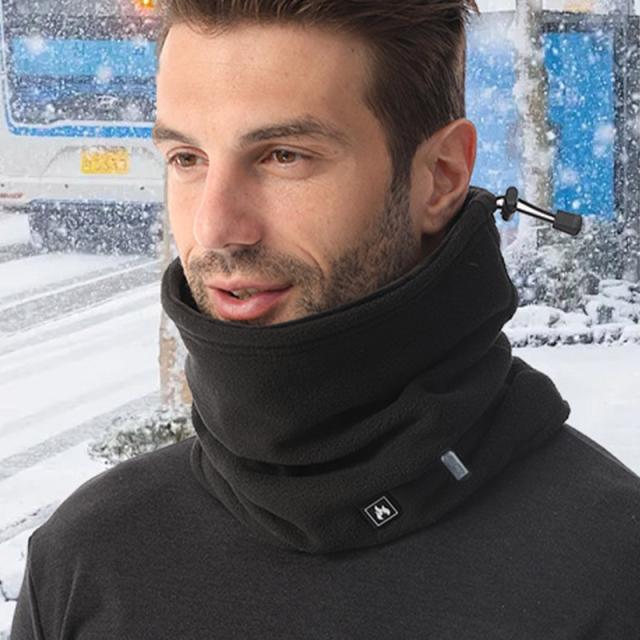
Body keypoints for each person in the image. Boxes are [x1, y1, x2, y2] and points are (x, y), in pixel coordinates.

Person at [11, 0, 640, 637]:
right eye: (187, 159)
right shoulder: (86, 562)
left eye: (284, 155)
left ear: (442, 176)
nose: (214, 228)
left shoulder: (613, 571)